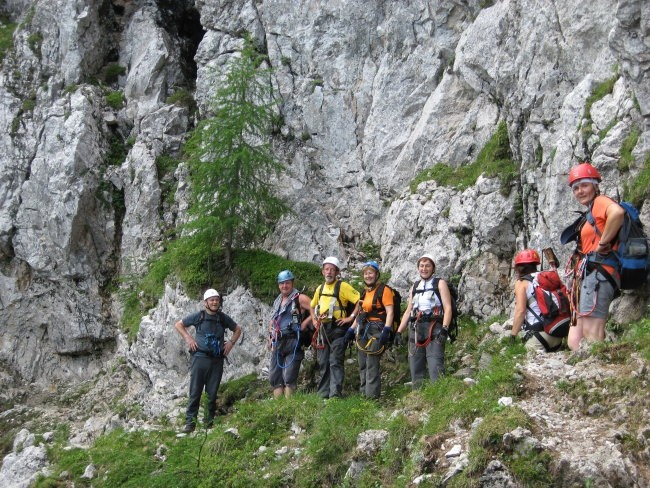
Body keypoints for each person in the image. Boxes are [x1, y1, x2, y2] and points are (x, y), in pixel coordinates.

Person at [564, 162, 624, 351]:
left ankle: (601, 374)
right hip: (591, 275)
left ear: (595, 185)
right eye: (576, 188)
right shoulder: (590, 210)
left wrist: (603, 243)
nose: (580, 191)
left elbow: (617, 212)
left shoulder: (600, 202)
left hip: (600, 273)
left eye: (584, 185)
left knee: (592, 333)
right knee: (576, 339)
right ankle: (587, 371)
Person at [174, 288, 242, 433]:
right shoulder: (199, 316)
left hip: (217, 360)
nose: (214, 302)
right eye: (211, 300)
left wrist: (230, 343)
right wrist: (188, 338)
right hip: (200, 358)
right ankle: (190, 424)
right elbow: (179, 324)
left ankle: (208, 424)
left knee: (212, 393)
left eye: (216, 300)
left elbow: (237, 329)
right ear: (206, 302)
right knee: (195, 392)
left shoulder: (223, 318)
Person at [395, 254, 452, 388]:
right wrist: (399, 331)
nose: (424, 268)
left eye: (427, 266)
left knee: (435, 363)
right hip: (416, 327)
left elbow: (448, 307)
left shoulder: (440, 283)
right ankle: (418, 396)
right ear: (418, 268)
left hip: (435, 326)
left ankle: (438, 394)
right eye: (421, 266)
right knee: (415, 363)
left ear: (433, 268)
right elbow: (409, 310)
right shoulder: (415, 286)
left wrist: (445, 329)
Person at [310, 256, 360, 399]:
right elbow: (312, 306)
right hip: (322, 329)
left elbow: (359, 301)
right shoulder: (320, 289)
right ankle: (323, 394)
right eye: (327, 269)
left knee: (335, 361)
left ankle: (335, 395)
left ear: (337, 272)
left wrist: (351, 317)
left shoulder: (343, 286)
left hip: (338, 329)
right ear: (323, 272)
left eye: (332, 269)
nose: (329, 272)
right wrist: (313, 319)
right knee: (323, 362)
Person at [350, 261, 394, 399]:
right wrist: (351, 330)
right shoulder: (364, 293)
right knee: (362, 363)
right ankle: (364, 395)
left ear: (376, 274)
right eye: (366, 273)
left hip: (377, 329)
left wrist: (387, 329)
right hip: (363, 329)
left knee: (371, 363)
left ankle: (372, 397)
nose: (368, 276)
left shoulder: (384, 290)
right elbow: (360, 314)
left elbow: (390, 312)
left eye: (371, 273)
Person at [268, 270, 312, 398]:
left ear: (292, 283)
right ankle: (278, 407)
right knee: (275, 376)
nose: (284, 286)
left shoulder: (300, 298)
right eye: (281, 283)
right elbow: (273, 320)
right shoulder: (278, 300)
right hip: (278, 341)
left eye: (287, 283)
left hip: (293, 340)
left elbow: (317, 309)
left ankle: (288, 406)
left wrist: (305, 323)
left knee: (289, 376)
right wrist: (270, 335)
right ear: (278, 285)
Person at [510, 249, 564, 352]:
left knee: (519, 358)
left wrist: (512, 336)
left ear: (519, 268)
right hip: (557, 334)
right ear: (536, 264)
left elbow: (520, 311)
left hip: (540, 336)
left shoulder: (522, 283)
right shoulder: (545, 277)